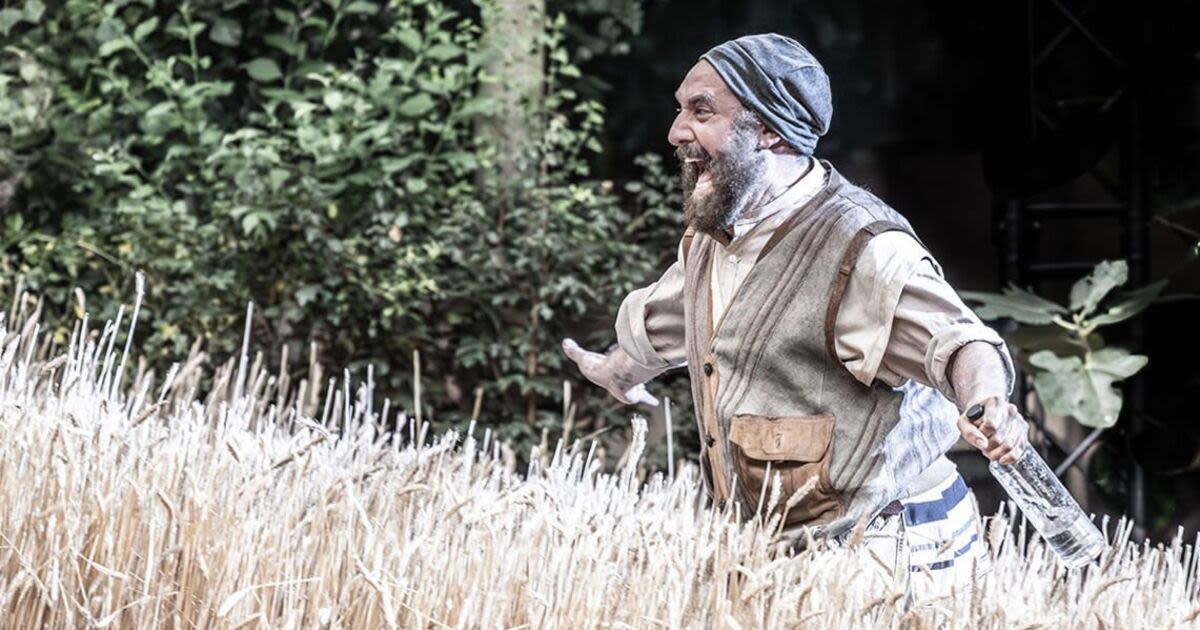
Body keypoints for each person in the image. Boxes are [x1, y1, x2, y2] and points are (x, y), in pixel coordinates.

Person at [561, 33, 1028, 594]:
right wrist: (617, 371)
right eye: (679, 109)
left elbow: (960, 342)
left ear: (769, 129)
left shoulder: (861, 247)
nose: (676, 131)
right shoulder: (720, 234)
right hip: (780, 552)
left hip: (889, 550)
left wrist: (988, 404)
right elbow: (674, 320)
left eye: (701, 111)